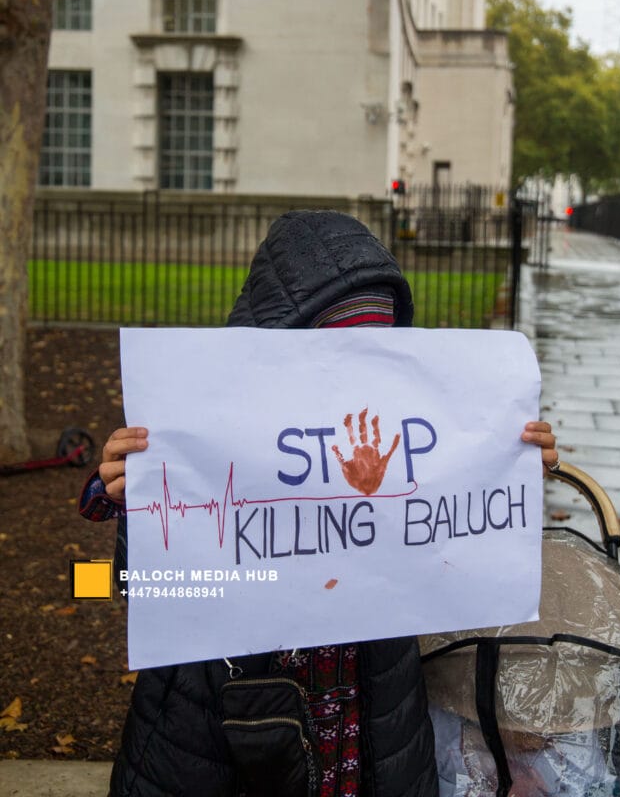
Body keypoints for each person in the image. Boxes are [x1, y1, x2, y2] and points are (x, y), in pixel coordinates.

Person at [80, 209, 559, 797]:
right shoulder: (205, 436)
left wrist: (504, 463)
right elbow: (133, 586)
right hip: (221, 730)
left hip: (371, 722)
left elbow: (460, 554)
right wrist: (136, 500)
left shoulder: (397, 434)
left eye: (377, 345)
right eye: (341, 347)